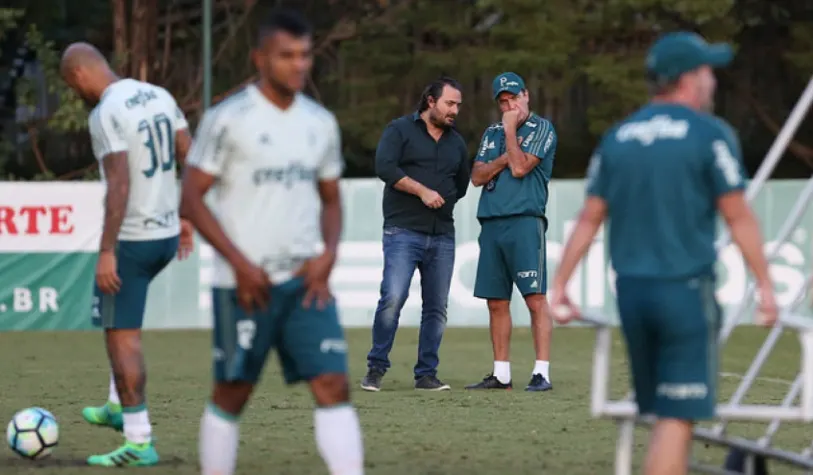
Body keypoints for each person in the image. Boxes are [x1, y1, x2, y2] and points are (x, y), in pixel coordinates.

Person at [549, 31, 778, 475]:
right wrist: (765, 285)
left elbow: (589, 218)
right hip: (684, 293)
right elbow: (738, 216)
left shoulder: (619, 137)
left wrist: (560, 283)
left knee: (663, 417)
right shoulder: (709, 134)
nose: (713, 80)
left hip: (632, 295)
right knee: (677, 418)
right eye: (707, 70)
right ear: (688, 79)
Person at [180, 10, 364, 475]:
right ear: (259, 58)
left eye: (304, 56)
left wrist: (328, 255)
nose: (298, 65)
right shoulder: (227, 119)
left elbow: (331, 200)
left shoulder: (320, 122)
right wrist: (240, 264)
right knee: (232, 392)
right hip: (244, 283)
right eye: (287, 56)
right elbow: (192, 199)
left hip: (305, 281)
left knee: (333, 384)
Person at [60, 43, 194, 466]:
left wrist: (105, 251)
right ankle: (117, 404)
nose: (74, 93)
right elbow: (191, 155)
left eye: (70, 86)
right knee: (119, 323)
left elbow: (118, 185)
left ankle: (138, 439)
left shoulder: (104, 113)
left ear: (79, 77)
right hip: (167, 233)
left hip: (133, 240)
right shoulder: (158, 94)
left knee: (122, 335)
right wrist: (187, 217)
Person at [361, 77, 470, 392]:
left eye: (458, 105)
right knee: (393, 299)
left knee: (436, 308)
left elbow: (460, 185)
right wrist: (422, 191)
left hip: (442, 235)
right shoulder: (399, 130)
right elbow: (385, 167)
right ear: (431, 101)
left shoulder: (456, 143)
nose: (455, 111)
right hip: (402, 232)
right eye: (450, 103)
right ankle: (376, 369)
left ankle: (426, 374)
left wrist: (441, 198)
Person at [465, 72, 557, 392]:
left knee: (534, 298)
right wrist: (505, 152)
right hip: (491, 221)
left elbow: (520, 168)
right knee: (496, 301)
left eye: (513, 98)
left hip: (524, 221)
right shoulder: (490, 133)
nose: (509, 104)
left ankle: (541, 371)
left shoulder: (542, 128)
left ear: (526, 95)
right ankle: (501, 372)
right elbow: (476, 176)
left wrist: (508, 132)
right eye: (503, 101)